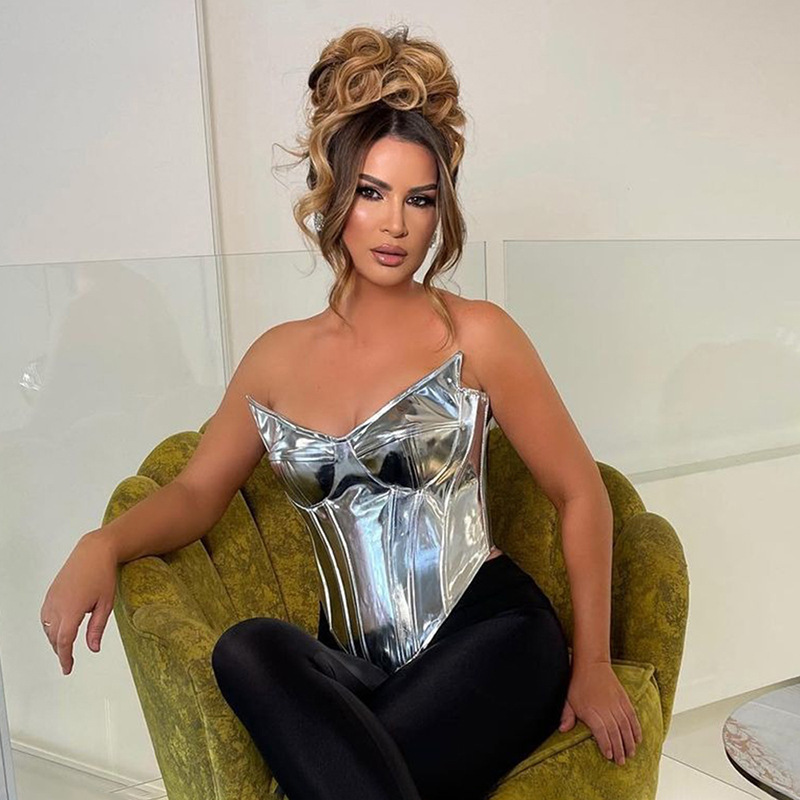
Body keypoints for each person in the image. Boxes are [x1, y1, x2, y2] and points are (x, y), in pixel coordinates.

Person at [40, 23, 642, 800]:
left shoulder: (478, 336)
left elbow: (580, 492)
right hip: (357, 666)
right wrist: (102, 542)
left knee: (335, 769)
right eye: (372, 192)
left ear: (440, 212)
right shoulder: (276, 359)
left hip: (490, 639)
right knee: (249, 650)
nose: (396, 223)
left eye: (420, 200)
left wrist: (591, 664)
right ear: (334, 196)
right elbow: (194, 494)